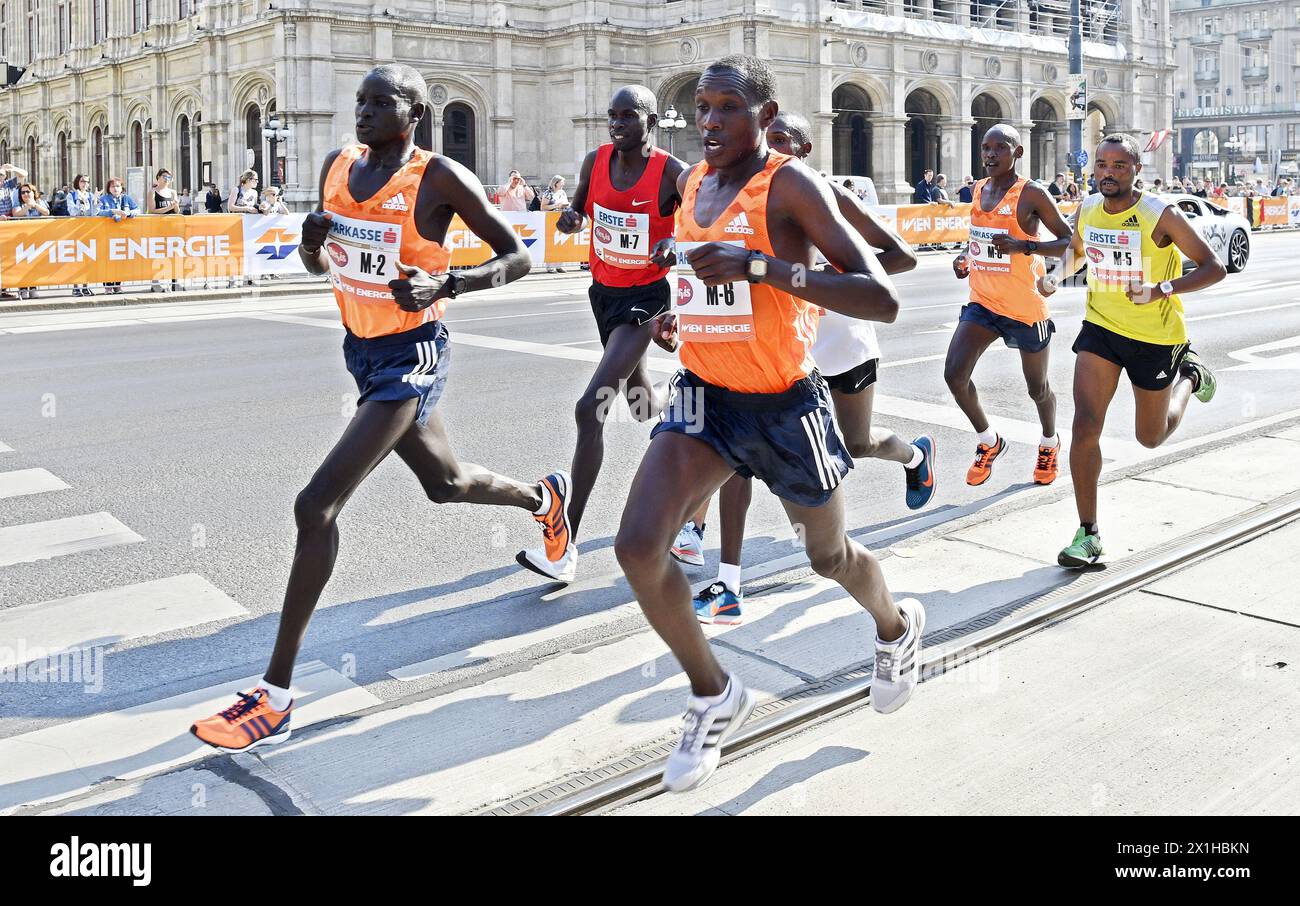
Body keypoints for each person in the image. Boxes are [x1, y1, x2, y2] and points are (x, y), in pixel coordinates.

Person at [189, 64, 570, 753]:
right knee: (446, 484)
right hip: (361, 352)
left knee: (315, 506)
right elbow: (320, 265)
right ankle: (544, 499)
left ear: (414, 111)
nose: (363, 111)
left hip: (413, 355)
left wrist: (446, 282)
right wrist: (309, 244)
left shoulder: (439, 177)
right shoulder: (339, 165)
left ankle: (274, 698)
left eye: (379, 101)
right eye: (359, 100)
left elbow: (518, 256)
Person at [614, 55, 925, 794]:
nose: (710, 122)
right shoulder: (693, 184)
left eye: (727, 107)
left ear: (764, 112)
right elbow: (705, 278)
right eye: (702, 109)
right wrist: (678, 314)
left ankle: (896, 627)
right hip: (706, 396)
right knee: (636, 547)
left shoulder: (789, 183)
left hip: (785, 404)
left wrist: (759, 268)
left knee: (830, 558)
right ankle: (714, 692)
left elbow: (879, 296)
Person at [676, 110, 933, 625]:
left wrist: (814, 280)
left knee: (855, 445)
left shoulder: (821, 193)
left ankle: (914, 456)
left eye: (780, 143)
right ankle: (727, 580)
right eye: (764, 142)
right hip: (776, 350)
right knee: (736, 458)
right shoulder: (728, 192)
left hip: (840, 341)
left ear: (802, 152)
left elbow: (897, 259)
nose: (767, 152)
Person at [520, 86, 684, 582]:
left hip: (646, 300)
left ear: (651, 121)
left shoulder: (671, 172)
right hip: (604, 292)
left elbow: (701, 222)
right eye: (611, 116)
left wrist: (674, 242)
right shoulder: (596, 160)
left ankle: (565, 543)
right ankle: (677, 398)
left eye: (627, 116)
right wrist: (571, 219)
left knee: (589, 407)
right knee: (640, 405)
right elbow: (579, 211)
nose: (616, 123)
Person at [1038, 134, 1224, 568]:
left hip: (1155, 337)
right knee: (1085, 425)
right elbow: (1078, 253)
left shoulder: (1159, 214)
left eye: (1120, 165)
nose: (1108, 173)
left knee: (1150, 437)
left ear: (1137, 169)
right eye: (1102, 164)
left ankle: (1190, 376)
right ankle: (1089, 533)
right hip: (1101, 327)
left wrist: (1162, 289)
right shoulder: (1086, 208)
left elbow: (1214, 266)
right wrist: (1054, 276)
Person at [947, 124, 1074, 488]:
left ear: (1017, 153)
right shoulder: (977, 190)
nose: (989, 155)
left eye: (999, 148)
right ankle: (989, 441)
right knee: (955, 376)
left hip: (1024, 308)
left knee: (1038, 389)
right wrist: (963, 258)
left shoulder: (1030, 193)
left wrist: (1024, 246)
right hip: (983, 303)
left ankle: (1049, 442)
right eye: (985, 148)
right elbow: (977, 240)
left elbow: (1067, 241)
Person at [97, 177, 140, 295]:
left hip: (122, 233)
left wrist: (129, 213)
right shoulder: (104, 199)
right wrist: (113, 211)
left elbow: (138, 209)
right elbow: (98, 212)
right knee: (107, 260)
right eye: (112, 186)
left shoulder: (126, 198)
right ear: (108, 188)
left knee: (120, 260)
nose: (115, 188)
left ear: (121, 188)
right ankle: (108, 286)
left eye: (118, 186)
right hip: (107, 233)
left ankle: (118, 285)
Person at [11, 184, 51, 299]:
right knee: (22, 263)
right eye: (22, 192)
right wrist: (27, 207)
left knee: (34, 264)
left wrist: (35, 205)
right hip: (21, 239)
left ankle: (33, 288)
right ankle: (23, 288)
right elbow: (16, 214)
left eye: (28, 191)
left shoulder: (39, 201)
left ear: (33, 192)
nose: (25, 194)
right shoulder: (19, 203)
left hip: (36, 238)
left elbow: (47, 212)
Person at [147, 169, 181, 293]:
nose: (167, 179)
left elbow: (176, 211)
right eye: (164, 177)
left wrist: (175, 205)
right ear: (158, 178)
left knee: (173, 254)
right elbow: (152, 210)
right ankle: (156, 282)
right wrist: (169, 207)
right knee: (158, 254)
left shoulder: (173, 192)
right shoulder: (153, 192)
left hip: (172, 227)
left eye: (169, 177)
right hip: (158, 227)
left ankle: (174, 281)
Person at [67, 174, 97, 297]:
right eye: (82, 181)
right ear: (77, 183)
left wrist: (95, 201)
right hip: (75, 229)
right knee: (76, 259)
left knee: (87, 259)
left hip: (88, 229)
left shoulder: (90, 196)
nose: (84, 184)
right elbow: (72, 211)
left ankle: (85, 286)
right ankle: (75, 287)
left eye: (87, 182)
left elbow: (93, 213)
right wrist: (80, 205)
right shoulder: (72, 195)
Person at [539, 175, 570, 274]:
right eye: (561, 183)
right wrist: (556, 205)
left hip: (562, 219)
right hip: (550, 220)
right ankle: (550, 266)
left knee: (561, 243)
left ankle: (559, 265)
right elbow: (543, 207)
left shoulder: (562, 192)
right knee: (551, 242)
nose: (563, 185)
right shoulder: (548, 193)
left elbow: (565, 202)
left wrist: (566, 205)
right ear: (555, 183)